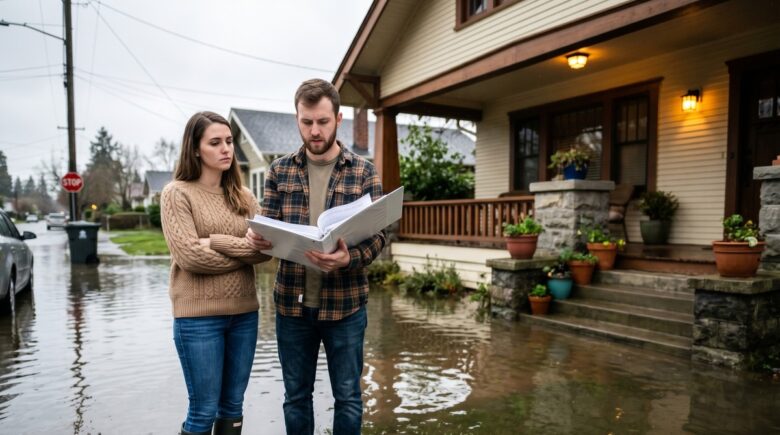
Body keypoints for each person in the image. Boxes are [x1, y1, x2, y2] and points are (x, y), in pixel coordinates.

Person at [246, 78, 386, 434]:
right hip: (292, 305)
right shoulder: (279, 170)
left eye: (322, 121)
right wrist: (258, 236)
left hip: (347, 305)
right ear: (297, 118)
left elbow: (379, 236)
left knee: (349, 397)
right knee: (296, 397)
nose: (314, 130)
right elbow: (269, 224)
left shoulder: (364, 172)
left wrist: (348, 258)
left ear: (338, 119)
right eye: (306, 121)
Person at [161, 111, 269, 435]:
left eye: (229, 141)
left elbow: (265, 250)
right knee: (203, 410)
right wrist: (242, 250)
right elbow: (190, 256)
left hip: (244, 314)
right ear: (195, 149)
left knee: (233, 406)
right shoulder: (176, 193)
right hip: (198, 318)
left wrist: (217, 241)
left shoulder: (244, 198)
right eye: (215, 142)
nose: (226, 149)